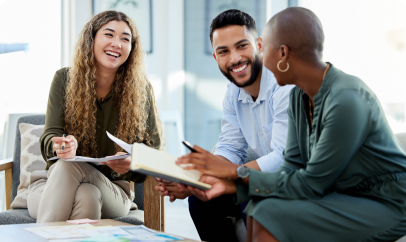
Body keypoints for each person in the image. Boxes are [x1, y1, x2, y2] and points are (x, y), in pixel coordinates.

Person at [176, 7, 406, 242]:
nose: (261, 59)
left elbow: (311, 182)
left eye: (264, 50)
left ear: (281, 53)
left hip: (384, 201)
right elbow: (291, 167)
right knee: (261, 210)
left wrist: (234, 175)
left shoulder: (346, 99)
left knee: (265, 212)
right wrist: (222, 182)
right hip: (338, 193)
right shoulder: (300, 96)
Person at [156, 9, 293, 242]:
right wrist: (194, 181)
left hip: (290, 182)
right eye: (224, 51)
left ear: (259, 44)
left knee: (253, 196)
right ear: (215, 57)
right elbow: (230, 147)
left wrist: (225, 175)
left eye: (242, 46)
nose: (235, 59)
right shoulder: (233, 92)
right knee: (201, 199)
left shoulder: (283, 84)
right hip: (259, 178)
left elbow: (282, 158)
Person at [27, 11, 162, 223]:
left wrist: (132, 163)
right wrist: (61, 146)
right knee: (86, 195)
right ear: (92, 39)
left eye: (125, 39)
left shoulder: (141, 90)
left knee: (70, 169)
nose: (117, 44)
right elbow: (50, 135)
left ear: (132, 48)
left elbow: (154, 153)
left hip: (113, 190)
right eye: (109, 34)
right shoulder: (64, 80)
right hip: (50, 184)